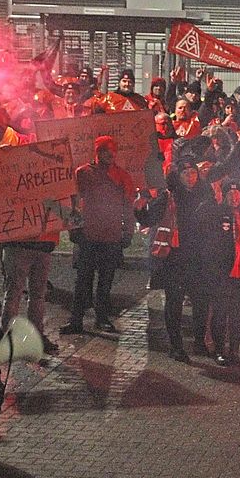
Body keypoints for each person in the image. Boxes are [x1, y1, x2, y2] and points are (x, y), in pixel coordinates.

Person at [137, 158, 215, 362]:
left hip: (199, 257)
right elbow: (148, 219)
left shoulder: (206, 195)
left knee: (201, 302)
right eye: (185, 173)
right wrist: (140, 207)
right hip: (175, 258)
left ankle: (199, 342)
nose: (190, 177)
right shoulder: (168, 196)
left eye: (193, 173)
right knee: (175, 303)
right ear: (178, 176)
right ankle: (176, 346)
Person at [61, 136, 136, 336]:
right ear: (97, 152)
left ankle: (101, 318)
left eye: (113, 150)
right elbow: (74, 202)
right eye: (105, 150)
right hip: (88, 235)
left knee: (105, 280)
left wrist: (128, 232)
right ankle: (76, 319)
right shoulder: (83, 173)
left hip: (110, 237)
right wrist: (74, 228)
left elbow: (128, 206)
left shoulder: (122, 176)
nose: (109, 154)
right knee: (82, 280)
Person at [200, 181, 240, 366]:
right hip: (222, 272)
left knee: (237, 314)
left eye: (237, 193)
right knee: (220, 312)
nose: (234, 197)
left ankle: (234, 349)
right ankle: (220, 349)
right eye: (230, 193)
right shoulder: (216, 214)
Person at [0, 236, 61, 356]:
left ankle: (11, 337)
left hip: (24, 246)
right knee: (27, 295)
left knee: (18, 294)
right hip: (32, 246)